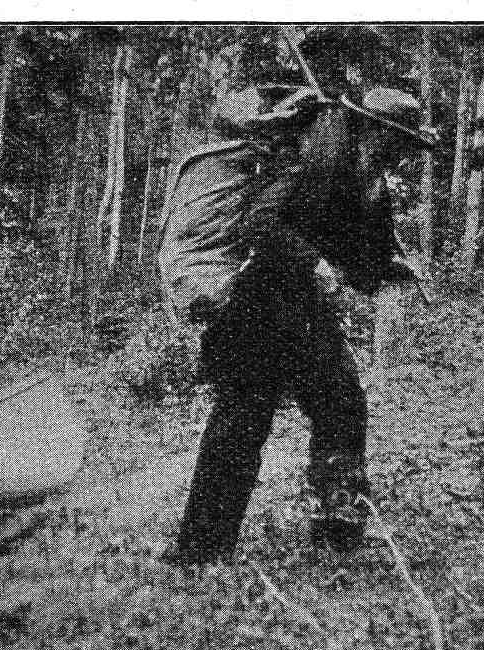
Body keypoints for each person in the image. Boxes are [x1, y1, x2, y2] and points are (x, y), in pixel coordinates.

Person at [158, 27, 435, 563]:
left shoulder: (370, 182)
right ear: (369, 130)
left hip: (301, 308)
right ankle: (200, 551)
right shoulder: (314, 160)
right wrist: (318, 264)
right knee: (242, 420)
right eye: (395, 140)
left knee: (342, 404)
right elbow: (261, 222)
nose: (400, 153)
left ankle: (338, 529)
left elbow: (362, 253)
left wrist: (393, 270)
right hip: (255, 303)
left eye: (405, 145)